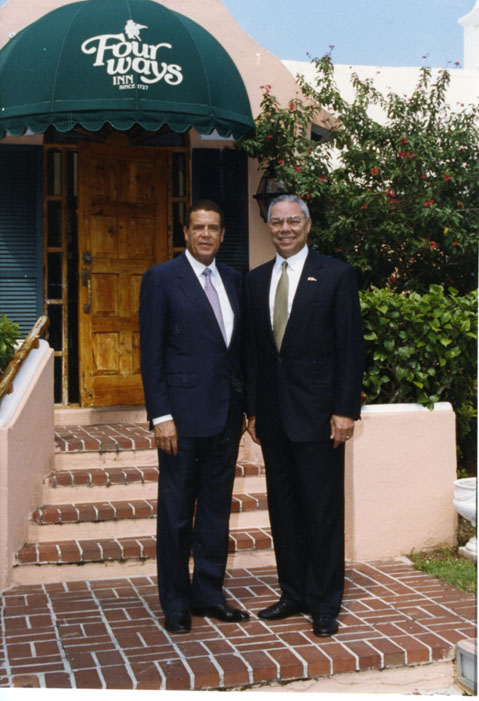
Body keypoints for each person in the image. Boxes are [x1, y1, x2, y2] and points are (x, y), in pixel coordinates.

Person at [245, 194, 364, 637]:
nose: (285, 228)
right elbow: (256, 356)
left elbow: (351, 349)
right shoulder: (255, 281)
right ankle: (292, 593)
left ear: (308, 225)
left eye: (293, 221)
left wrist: (344, 410)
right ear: (269, 227)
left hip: (319, 418)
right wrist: (253, 411)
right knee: (285, 509)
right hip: (274, 419)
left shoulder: (335, 275)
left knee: (322, 510)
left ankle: (324, 602)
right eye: (277, 222)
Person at [139, 200, 249, 634]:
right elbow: (151, 354)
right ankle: (176, 602)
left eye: (214, 228)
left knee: (216, 513)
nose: (206, 235)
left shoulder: (235, 281)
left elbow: (239, 352)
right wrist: (160, 415)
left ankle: (208, 594)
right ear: (185, 232)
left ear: (223, 235)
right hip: (180, 421)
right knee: (177, 514)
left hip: (225, 418)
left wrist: (245, 407)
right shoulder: (162, 279)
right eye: (198, 227)